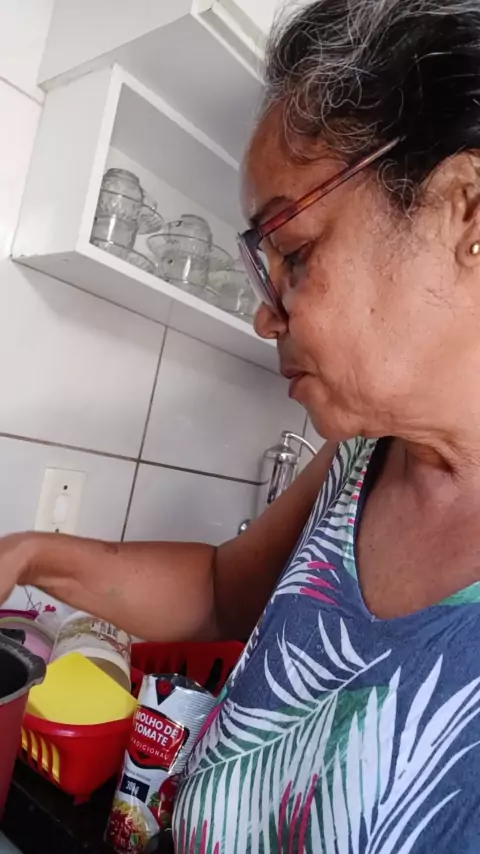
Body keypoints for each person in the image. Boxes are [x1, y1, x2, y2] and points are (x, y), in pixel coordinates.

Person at [4, 0, 480, 849]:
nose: (266, 315)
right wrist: (31, 554)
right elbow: (224, 593)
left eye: (293, 251)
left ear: (465, 209)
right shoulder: (360, 458)